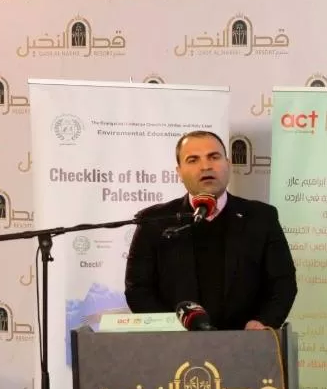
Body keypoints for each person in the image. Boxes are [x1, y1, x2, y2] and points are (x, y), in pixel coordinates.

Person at [125, 130, 297, 331]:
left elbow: (283, 283)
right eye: (193, 160)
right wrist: (170, 330)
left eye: (214, 157)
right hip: (175, 343)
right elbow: (138, 289)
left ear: (228, 164)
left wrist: (263, 322)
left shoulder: (261, 217)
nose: (205, 166)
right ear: (179, 172)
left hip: (244, 342)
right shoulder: (154, 221)